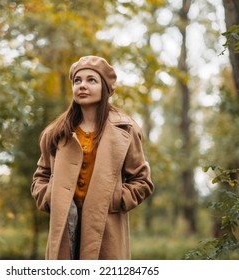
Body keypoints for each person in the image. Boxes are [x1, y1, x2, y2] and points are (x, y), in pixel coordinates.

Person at [31, 55, 154, 260]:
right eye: (77, 81)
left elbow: (142, 181)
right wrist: (50, 197)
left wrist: (115, 198)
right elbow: (41, 177)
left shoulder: (125, 129)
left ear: (105, 88)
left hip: (107, 226)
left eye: (91, 80)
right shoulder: (55, 133)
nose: (82, 86)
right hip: (64, 225)